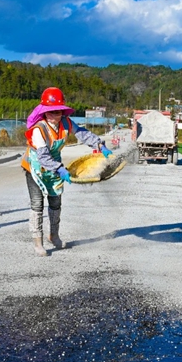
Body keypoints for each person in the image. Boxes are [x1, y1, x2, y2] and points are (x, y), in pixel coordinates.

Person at [21, 87, 113, 256]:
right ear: (44, 112)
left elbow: (83, 134)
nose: (54, 116)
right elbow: (42, 156)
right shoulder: (38, 130)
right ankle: (38, 242)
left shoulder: (66, 122)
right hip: (35, 168)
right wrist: (60, 169)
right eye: (50, 112)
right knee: (37, 204)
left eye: (57, 112)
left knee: (56, 203)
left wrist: (99, 145)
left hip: (55, 167)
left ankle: (54, 236)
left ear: (62, 111)